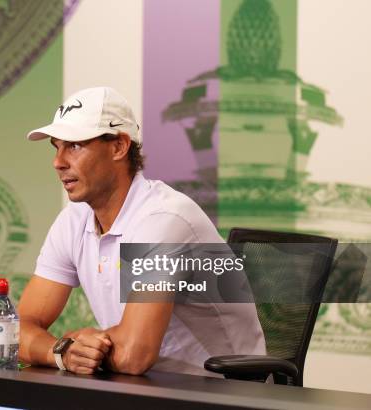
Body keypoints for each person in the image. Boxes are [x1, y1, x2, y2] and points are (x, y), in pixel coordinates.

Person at [18, 87, 265, 376]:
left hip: (229, 393)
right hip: (148, 390)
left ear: (119, 147)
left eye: (74, 146)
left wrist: (84, 348)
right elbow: (15, 328)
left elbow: (133, 356)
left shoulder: (164, 220)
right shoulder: (73, 221)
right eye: (56, 146)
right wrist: (61, 351)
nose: (58, 162)